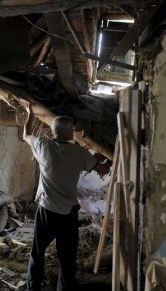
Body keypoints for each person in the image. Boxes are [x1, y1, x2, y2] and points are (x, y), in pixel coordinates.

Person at [23, 102, 109, 291]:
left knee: (37, 253)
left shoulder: (42, 146)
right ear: (68, 132)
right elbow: (103, 168)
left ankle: (33, 288)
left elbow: (26, 135)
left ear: (53, 132)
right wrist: (108, 156)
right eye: (72, 129)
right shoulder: (80, 153)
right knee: (67, 258)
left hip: (46, 211)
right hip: (67, 215)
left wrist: (29, 114)